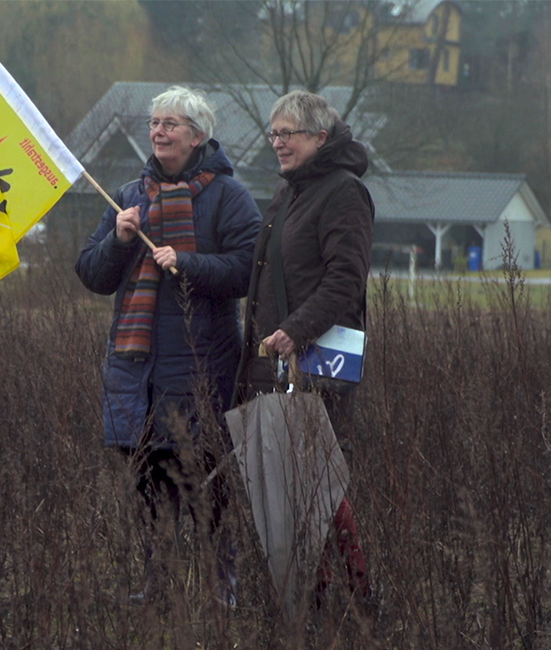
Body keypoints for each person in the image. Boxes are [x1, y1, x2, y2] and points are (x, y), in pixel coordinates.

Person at [75, 86, 261, 606]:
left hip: (204, 367)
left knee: (210, 481)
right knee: (148, 485)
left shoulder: (229, 197)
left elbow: (248, 270)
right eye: (154, 123)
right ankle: (156, 586)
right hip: (136, 371)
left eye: (171, 124)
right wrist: (117, 239)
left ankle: (219, 588)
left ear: (198, 135)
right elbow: (91, 275)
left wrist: (189, 263)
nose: (158, 132)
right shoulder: (128, 196)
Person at [235, 90, 375, 609]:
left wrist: (297, 329)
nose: (277, 143)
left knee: (321, 483)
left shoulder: (343, 193)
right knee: (290, 485)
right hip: (275, 364)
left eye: (287, 133)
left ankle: (358, 596)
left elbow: (345, 280)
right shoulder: (287, 193)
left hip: (320, 364)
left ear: (320, 137)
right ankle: (309, 599)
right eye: (273, 134)